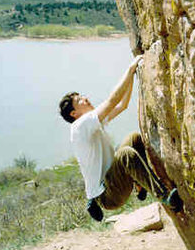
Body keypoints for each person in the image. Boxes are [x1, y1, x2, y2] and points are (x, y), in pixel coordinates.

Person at [59, 56, 183, 221]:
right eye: (80, 100)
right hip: (107, 195)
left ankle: (139, 186)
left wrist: (132, 76)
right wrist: (129, 69)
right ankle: (165, 196)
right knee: (125, 154)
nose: (85, 98)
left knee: (134, 139)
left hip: (111, 180)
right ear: (74, 114)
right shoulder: (80, 126)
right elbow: (111, 101)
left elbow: (121, 105)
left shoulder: (89, 122)